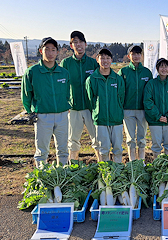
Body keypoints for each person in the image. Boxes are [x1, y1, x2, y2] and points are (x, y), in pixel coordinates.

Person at [21, 37, 71, 167]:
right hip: (42, 116)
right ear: (40, 51)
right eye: (46, 49)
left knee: (63, 149)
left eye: (53, 50)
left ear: (57, 52)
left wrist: (66, 106)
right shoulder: (32, 72)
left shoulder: (63, 73)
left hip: (62, 116)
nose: (50, 53)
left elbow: (67, 93)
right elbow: (26, 95)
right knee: (42, 150)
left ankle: (63, 174)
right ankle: (42, 177)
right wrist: (30, 111)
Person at [60, 31, 100, 161]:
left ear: (86, 44)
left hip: (90, 108)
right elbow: (62, 86)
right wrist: (66, 103)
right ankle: (74, 166)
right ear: (71, 46)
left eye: (81, 42)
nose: (79, 45)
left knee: (97, 137)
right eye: (75, 42)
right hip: (74, 108)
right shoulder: (66, 64)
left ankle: (102, 165)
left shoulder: (93, 64)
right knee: (73, 139)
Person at [85, 48, 125, 163]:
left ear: (111, 60)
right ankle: (106, 173)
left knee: (117, 149)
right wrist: (98, 110)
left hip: (116, 119)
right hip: (101, 120)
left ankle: (117, 172)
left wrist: (116, 110)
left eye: (108, 58)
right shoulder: (92, 79)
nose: (105, 61)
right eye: (102, 58)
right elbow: (90, 100)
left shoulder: (118, 79)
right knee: (104, 149)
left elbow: (121, 98)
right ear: (97, 59)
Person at [118, 45, 153, 161]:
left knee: (142, 137)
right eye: (133, 54)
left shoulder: (147, 73)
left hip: (143, 110)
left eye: (139, 54)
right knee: (130, 138)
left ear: (141, 56)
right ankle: (132, 162)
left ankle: (141, 162)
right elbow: (119, 91)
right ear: (129, 56)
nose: (136, 56)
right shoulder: (123, 72)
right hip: (127, 109)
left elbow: (150, 92)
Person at [143, 58, 168, 158]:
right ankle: (157, 166)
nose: (163, 69)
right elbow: (148, 102)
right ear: (157, 68)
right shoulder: (151, 84)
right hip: (155, 121)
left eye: (165, 66)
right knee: (156, 146)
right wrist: (158, 116)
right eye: (161, 66)